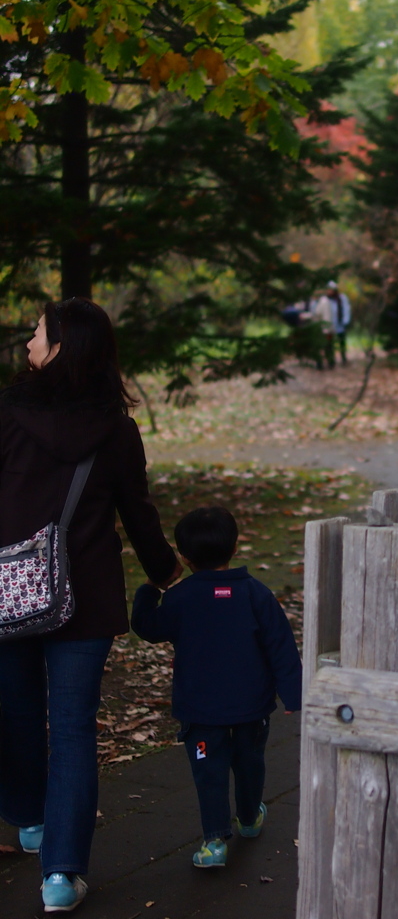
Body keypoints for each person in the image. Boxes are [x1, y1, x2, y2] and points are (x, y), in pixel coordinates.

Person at [0, 298, 180, 914]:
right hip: (86, 597)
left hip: (8, 590)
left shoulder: (7, 413)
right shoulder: (117, 428)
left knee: (16, 712)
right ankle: (61, 874)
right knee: (72, 728)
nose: (27, 343)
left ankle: (29, 820)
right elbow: (138, 511)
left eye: (36, 333)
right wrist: (167, 572)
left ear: (58, 348)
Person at [131, 506, 301, 869]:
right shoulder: (257, 594)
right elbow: (281, 645)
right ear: (235, 547)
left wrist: (149, 588)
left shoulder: (179, 599)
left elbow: (146, 626)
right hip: (251, 705)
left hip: (200, 707)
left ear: (185, 557)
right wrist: (293, 692)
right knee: (250, 762)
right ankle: (250, 817)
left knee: (209, 773)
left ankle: (214, 841)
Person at [327, 281, 352, 367]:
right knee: (330, 343)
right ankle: (331, 361)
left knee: (341, 342)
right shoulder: (326, 300)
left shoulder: (342, 298)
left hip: (340, 324)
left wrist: (345, 321)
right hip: (329, 325)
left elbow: (346, 309)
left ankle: (344, 358)